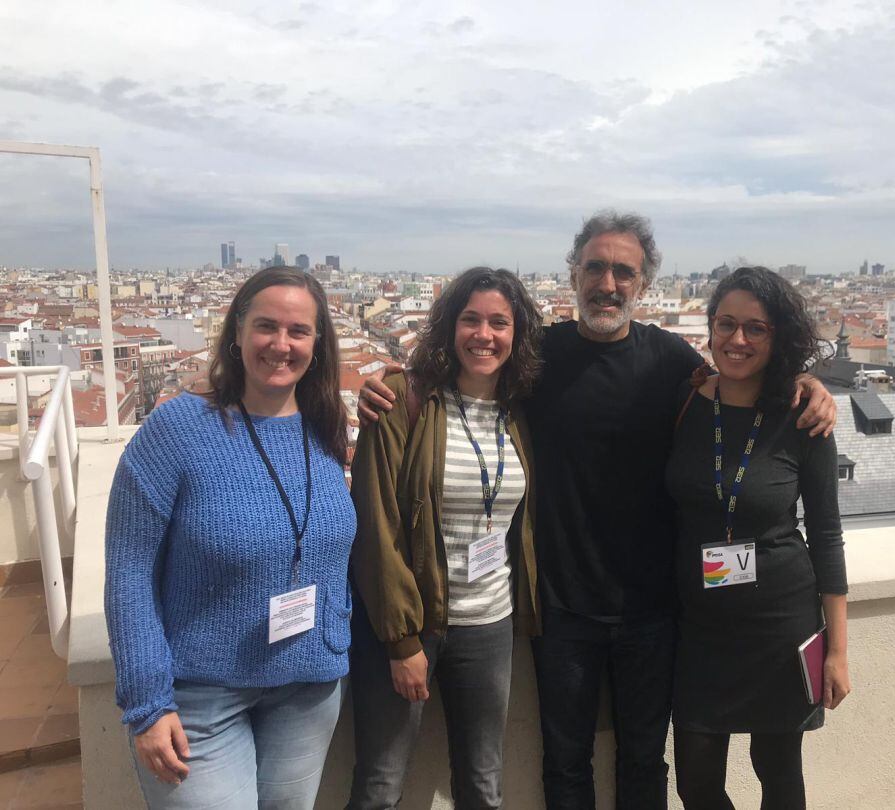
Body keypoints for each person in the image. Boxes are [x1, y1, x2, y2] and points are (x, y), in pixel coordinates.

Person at [355, 211, 837, 809]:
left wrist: (808, 385)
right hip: (561, 607)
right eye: (595, 268)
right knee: (565, 764)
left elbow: (741, 380)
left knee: (644, 761)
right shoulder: (537, 356)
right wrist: (388, 380)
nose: (608, 283)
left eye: (623, 272)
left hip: (653, 608)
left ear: (644, 283)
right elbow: (466, 370)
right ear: (574, 274)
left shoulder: (671, 362)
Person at [104, 266, 355, 809]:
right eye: (267, 326)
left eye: (299, 331)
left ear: (317, 344)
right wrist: (147, 703)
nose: (281, 344)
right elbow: (129, 572)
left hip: (308, 688)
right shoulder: (176, 430)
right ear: (237, 333)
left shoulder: (326, 426)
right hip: (199, 697)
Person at [347, 267, 544, 809]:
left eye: (499, 323)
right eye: (470, 320)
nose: (484, 335)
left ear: (517, 333)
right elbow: (376, 525)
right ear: (450, 326)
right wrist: (402, 641)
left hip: (490, 623)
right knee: (380, 787)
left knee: (484, 786)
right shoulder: (400, 399)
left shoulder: (519, 411)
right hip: (413, 624)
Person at [666, 266, 850, 810]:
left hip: (779, 624)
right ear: (710, 328)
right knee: (696, 782)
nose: (737, 339)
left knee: (778, 772)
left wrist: (838, 651)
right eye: (726, 324)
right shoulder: (684, 402)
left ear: (778, 337)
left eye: (756, 328)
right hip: (698, 628)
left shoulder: (803, 416)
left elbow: (826, 535)